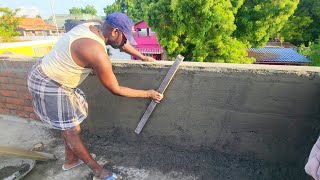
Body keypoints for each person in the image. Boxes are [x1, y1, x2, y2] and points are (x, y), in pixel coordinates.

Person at [27, 12, 163, 180]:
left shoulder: (95, 25)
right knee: (72, 130)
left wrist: (142, 57)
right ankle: (98, 171)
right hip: (49, 83)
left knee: (68, 122)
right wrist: (147, 93)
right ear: (114, 32)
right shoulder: (96, 52)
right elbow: (115, 89)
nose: (126, 42)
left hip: (48, 71)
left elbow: (119, 44)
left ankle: (71, 160)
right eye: (125, 37)